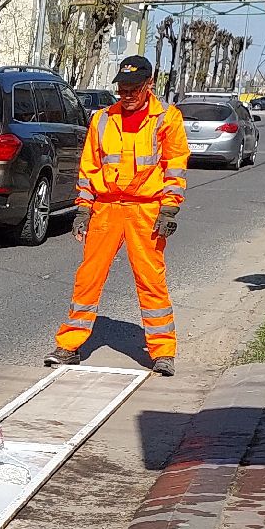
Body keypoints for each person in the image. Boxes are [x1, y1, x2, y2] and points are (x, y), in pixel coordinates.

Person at [50, 55, 189, 376]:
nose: (126, 94)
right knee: (88, 277)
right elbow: (89, 169)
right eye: (122, 87)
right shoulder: (101, 119)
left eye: (134, 88)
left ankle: (163, 351)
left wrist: (169, 208)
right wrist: (83, 209)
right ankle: (69, 345)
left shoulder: (166, 118)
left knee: (151, 280)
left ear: (149, 85)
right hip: (107, 208)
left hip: (146, 209)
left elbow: (176, 165)